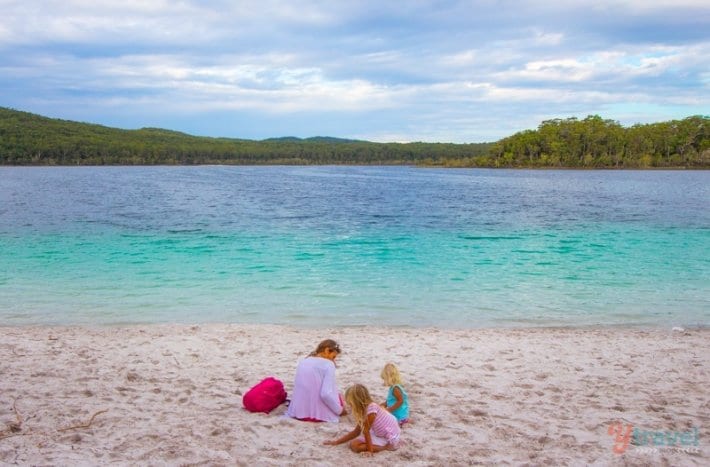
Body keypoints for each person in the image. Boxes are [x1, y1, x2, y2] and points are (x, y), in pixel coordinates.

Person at [323, 384, 401, 455]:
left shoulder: (371, 409)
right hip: (382, 431)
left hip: (389, 436)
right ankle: (380, 446)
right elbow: (357, 431)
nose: (349, 405)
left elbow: (366, 431)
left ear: (357, 401)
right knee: (355, 442)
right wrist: (336, 442)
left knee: (355, 446)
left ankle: (385, 447)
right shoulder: (363, 410)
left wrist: (369, 451)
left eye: (350, 403)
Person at [286, 339, 346, 422]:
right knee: (337, 396)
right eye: (333, 357)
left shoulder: (303, 361)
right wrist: (340, 411)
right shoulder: (329, 364)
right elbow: (325, 394)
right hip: (318, 415)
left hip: (297, 412)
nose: (333, 360)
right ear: (327, 350)